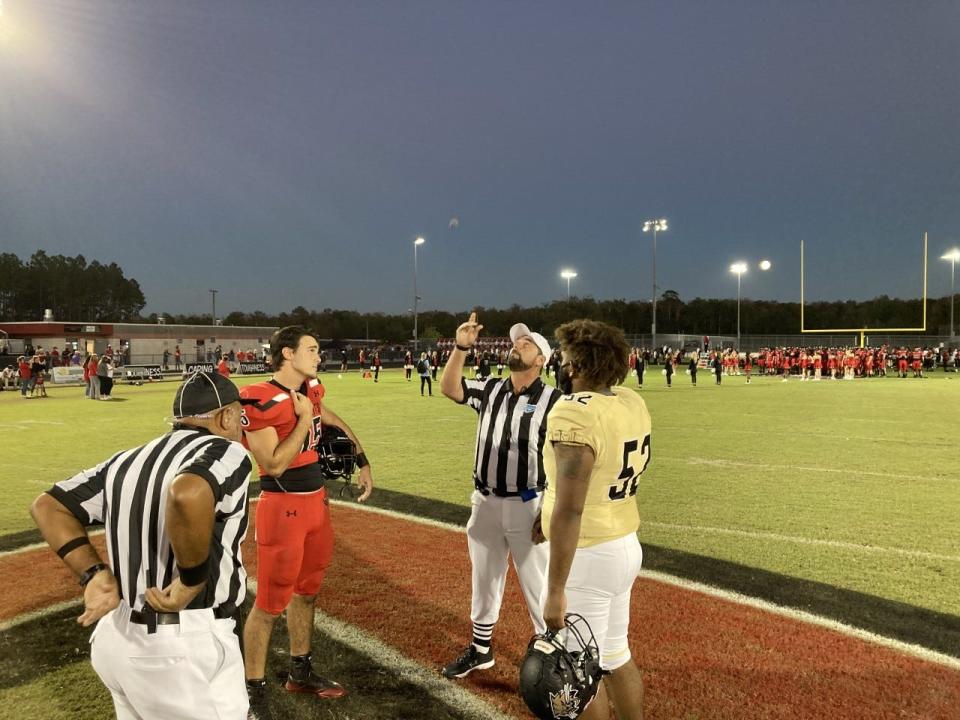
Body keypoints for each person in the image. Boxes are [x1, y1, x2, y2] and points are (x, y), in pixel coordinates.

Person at [29, 371, 254, 719]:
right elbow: (186, 492)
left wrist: (93, 574)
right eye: (239, 414)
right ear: (226, 416)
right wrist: (191, 581)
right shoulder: (227, 450)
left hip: (117, 638)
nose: (242, 423)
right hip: (179, 643)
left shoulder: (127, 459)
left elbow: (48, 505)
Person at [239, 326, 373, 719]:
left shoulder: (310, 389)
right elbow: (274, 463)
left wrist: (362, 460)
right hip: (283, 509)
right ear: (286, 353)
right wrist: (301, 419)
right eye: (311, 349)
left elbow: (328, 418)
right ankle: (254, 693)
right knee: (268, 604)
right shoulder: (259, 399)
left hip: (317, 505)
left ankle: (300, 671)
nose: (318, 355)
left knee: (307, 592)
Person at [539, 319, 651, 720]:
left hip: (587, 553)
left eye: (566, 358)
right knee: (615, 655)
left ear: (577, 365)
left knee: (575, 672)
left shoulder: (573, 413)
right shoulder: (630, 401)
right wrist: (544, 511)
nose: (562, 365)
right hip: (623, 542)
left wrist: (554, 589)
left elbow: (571, 507)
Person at [439, 313, 560, 679]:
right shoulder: (491, 388)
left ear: (541, 359)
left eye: (526, 344)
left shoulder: (555, 401)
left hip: (529, 503)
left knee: (536, 582)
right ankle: (480, 649)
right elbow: (450, 387)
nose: (516, 346)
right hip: (486, 500)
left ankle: (552, 654)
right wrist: (461, 347)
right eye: (515, 342)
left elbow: (562, 459)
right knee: (485, 576)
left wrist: (550, 508)